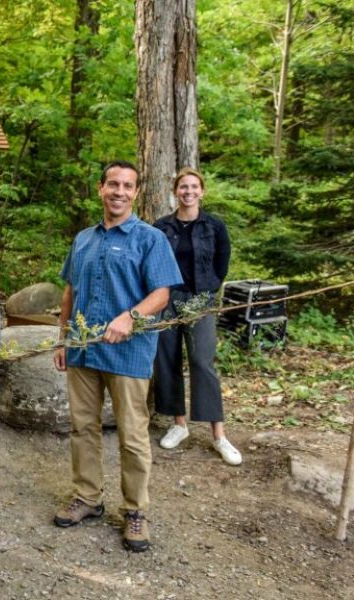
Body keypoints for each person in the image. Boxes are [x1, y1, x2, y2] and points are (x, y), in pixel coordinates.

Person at [51, 160, 182, 553]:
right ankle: (87, 497)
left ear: (136, 193)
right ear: (100, 188)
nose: (119, 191)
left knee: (133, 435)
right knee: (83, 428)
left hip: (128, 353)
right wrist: (63, 338)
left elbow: (162, 294)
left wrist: (131, 316)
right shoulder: (83, 240)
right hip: (83, 349)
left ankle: (136, 511)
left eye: (127, 186)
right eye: (112, 184)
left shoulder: (150, 239)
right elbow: (70, 292)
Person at [152, 168, 241, 465]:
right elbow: (153, 261)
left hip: (201, 300)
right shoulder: (162, 226)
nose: (188, 191)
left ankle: (219, 435)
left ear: (201, 191)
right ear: (176, 191)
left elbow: (222, 263)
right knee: (167, 359)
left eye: (193, 187)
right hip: (168, 299)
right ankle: (179, 424)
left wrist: (208, 291)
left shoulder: (214, 226)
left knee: (203, 361)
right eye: (183, 187)